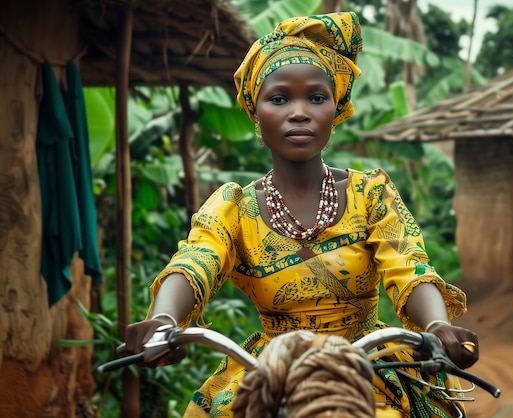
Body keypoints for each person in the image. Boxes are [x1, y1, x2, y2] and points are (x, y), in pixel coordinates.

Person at [125, 11, 479, 418]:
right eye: (279, 99)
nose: (299, 112)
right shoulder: (234, 207)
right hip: (272, 368)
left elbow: (410, 268)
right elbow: (196, 260)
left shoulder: (369, 194)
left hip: (366, 364)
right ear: (256, 112)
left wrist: (437, 326)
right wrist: (164, 319)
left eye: (316, 97)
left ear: (335, 107)